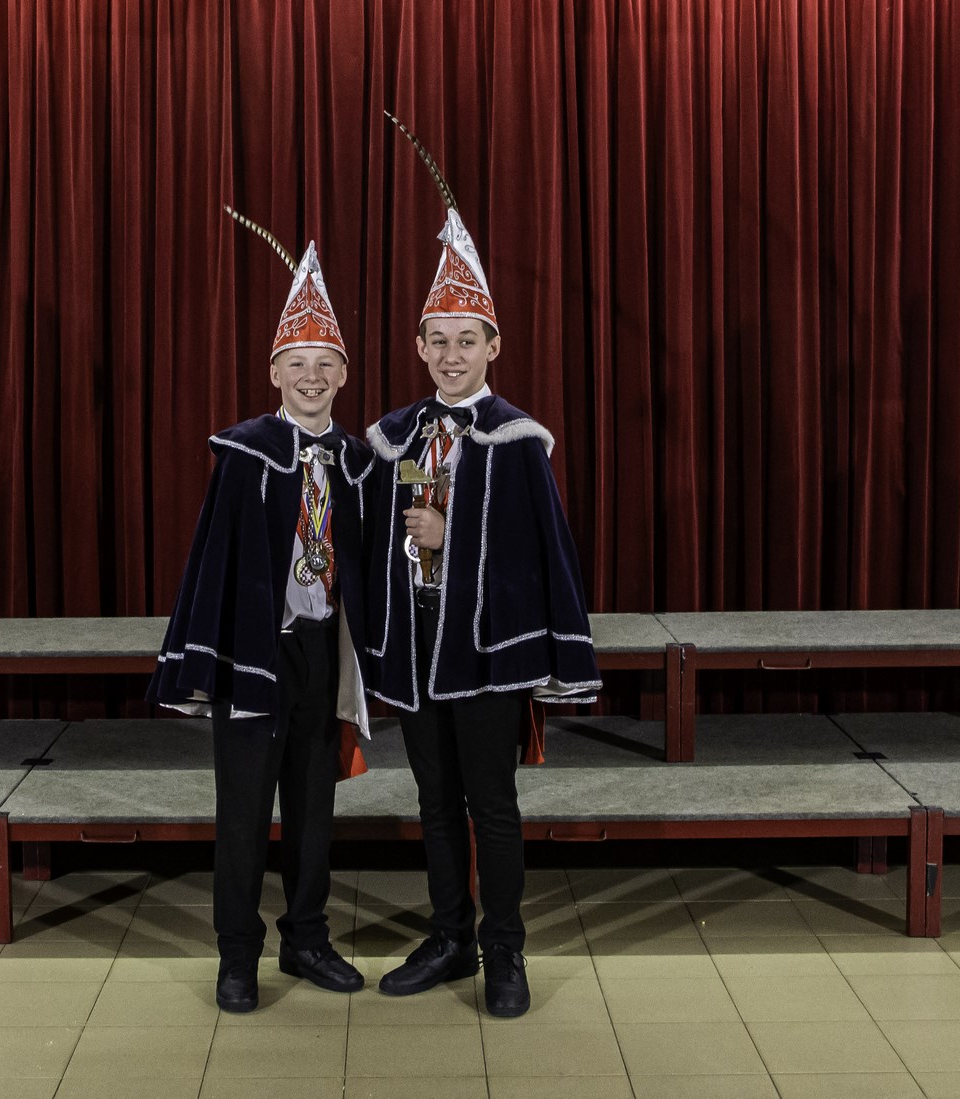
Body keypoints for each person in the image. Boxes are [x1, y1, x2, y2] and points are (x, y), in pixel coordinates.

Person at [366, 122, 600, 1018]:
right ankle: (449, 937)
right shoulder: (394, 436)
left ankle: (505, 949)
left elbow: (538, 555)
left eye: (468, 340)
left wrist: (449, 533)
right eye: (439, 341)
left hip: (487, 651)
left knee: (491, 803)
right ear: (419, 345)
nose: (452, 355)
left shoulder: (516, 440)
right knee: (434, 800)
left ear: (493, 346)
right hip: (418, 640)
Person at [150, 214, 373, 1013]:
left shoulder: (358, 462)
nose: (312, 377)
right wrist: (202, 662)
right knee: (244, 811)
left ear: (342, 374)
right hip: (258, 652)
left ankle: (306, 937)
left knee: (314, 806)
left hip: (321, 651)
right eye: (297, 363)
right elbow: (212, 561)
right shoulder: (244, 453)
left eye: (325, 364)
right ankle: (237, 954)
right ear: (274, 370)